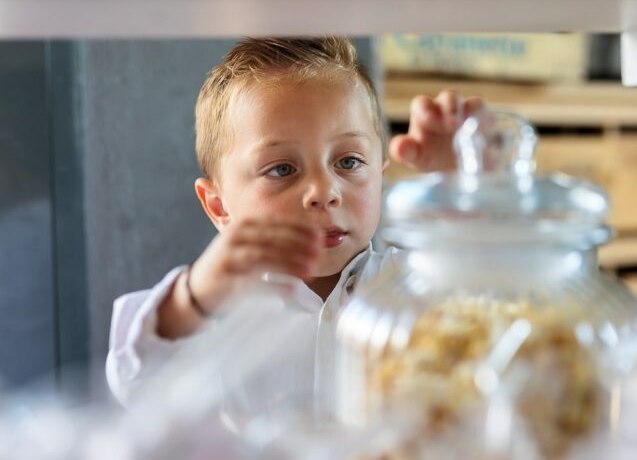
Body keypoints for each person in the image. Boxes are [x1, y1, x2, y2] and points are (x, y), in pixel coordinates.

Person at [106, 37, 484, 416]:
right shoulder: (209, 310)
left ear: (380, 178)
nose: (324, 192)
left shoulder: (419, 288)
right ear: (219, 207)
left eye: (349, 162)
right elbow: (138, 382)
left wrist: (463, 188)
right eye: (282, 169)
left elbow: (498, 327)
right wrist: (197, 297)